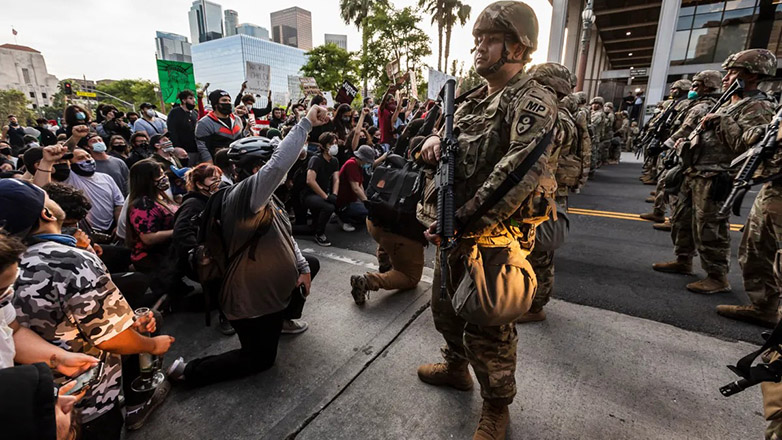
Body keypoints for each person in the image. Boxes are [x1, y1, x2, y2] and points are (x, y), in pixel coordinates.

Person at [416, 2, 557, 438]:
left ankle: (497, 407)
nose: (479, 47)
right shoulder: (474, 97)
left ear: (518, 47)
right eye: (477, 38)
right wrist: (435, 138)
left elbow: (517, 172)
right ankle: (457, 370)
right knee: (445, 309)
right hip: (450, 231)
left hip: (490, 236)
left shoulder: (532, 100)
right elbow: (438, 135)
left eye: (490, 39)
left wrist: (462, 223)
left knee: (489, 327)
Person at [166, 105, 330, 387]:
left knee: (310, 263)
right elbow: (280, 163)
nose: (283, 174)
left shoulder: (268, 198)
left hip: (271, 294)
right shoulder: (244, 196)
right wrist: (305, 125)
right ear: (257, 169)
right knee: (260, 359)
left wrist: (301, 267)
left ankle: (280, 322)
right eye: (268, 168)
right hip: (249, 301)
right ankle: (188, 372)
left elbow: (285, 234)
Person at [0, 177, 174, 439]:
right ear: (47, 212)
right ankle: (138, 405)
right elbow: (112, 338)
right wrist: (153, 345)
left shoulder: (9, 262)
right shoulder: (69, 260)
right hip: (86, 400)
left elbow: (12, 330)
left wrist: (58, 358)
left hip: (36, 396)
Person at [654, 49, 777, 295]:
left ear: (752, 75)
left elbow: (747, 146)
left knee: (710, 228)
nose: (727, 77)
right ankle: (683, 259)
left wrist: (722, 121)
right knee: (683, 220)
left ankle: (717, 276)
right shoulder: (729, 102)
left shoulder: (758, 106)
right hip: (696, 171)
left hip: (717, 175)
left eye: (733, 72)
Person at [517, 62, 578, 323]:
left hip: (540, 196)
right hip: (543, 192)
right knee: (535, 253)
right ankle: (530, 302)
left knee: (539, 254)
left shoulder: (555, 118)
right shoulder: (559, 115)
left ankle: (535, 307)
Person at [642, 75, 718, 226]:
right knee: (666, 181)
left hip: (686, 150)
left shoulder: (701, 106)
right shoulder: (691, 104)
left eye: (696, 86)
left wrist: (664, 145)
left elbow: (686, 128)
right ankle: (660, 212)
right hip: (680, 148)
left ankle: (672, 218)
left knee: (673, 185)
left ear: (707, 86)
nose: (692, 89)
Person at [171, 163, 235, 335]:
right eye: (213, 179)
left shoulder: (214, 198)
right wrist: (198, 252)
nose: (218, 183)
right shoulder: (193, 204)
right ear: (200, 184)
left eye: (220, 179)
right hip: (201, 259)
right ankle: (226, 316)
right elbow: (181, 233)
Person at [126, 159, 179, 301]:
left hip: (168, 254)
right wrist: (177, 231)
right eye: (159, 175)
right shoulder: (142, 205)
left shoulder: (159, 196)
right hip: (153, 258)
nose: (164, 178)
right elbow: (148, 237)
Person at [58, 149, 125, 235]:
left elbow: (119, 205)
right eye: (80, 158)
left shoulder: (106, 178)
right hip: (85, 232)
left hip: (111, 230)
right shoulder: (69, 178)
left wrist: (119, 226)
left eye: (88, 156)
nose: (87, 159)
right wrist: (76, 137)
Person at [303, 132, 340, 246]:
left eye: (335, 143)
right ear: (324, 145)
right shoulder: (316, 159)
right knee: (328, 207)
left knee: (312, 226)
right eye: (332, 143)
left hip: (323, 193)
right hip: (309, 194)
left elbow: (336, 179)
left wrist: (334, 194)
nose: (335, 146)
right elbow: (310, 181)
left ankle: (316, 227)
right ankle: (319, 234)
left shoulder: (334, 161)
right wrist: (326, 197)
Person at [195, 90, 243, 163]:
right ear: (215, 104)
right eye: (224, 100)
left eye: (229, 100)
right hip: (218, 164)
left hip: (238, 162)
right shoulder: (204, 123)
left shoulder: (237, 119)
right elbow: (202, 147)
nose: (228, 103)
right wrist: (210, 166)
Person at [335, 145, 374, 231]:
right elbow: (355, 188)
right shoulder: (351, 164)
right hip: (344, 202)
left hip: (352, 200)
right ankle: (342, 217)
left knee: (367, 215)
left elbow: (360, 185)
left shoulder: (358, 166)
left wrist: (365, 199)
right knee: (368, 212)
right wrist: (366, 202)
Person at [167, 90, 200, 166]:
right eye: (190, 98)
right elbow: (172, 131)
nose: (193, 101)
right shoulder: (175, 113)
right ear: (184, 100)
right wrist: (177, 147)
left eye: (194, 98)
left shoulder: (195, 113)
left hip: (196, 148)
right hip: (185, 149)